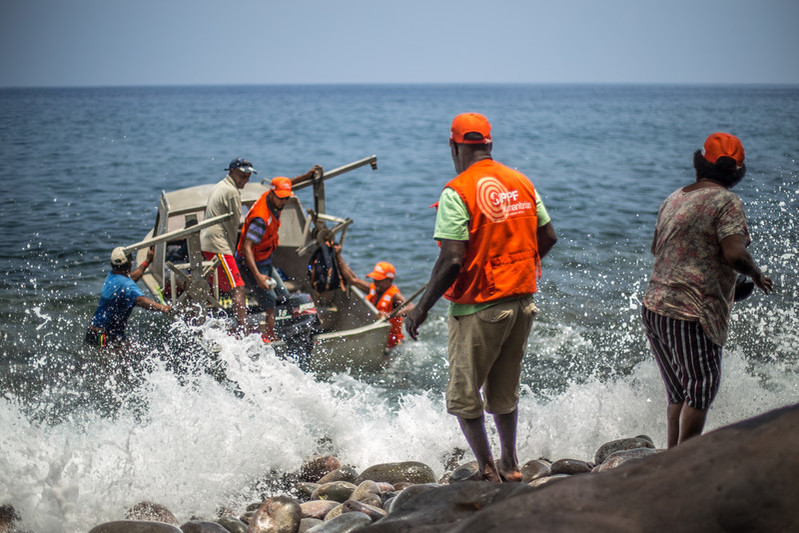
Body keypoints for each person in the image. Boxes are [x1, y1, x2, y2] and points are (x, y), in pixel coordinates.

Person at [405, 113, 558, 483]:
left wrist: (421, 308)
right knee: (504, 390)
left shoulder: (457, 191)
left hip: (480, 307)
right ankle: (510, 463)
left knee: (463, 395)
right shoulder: (521, 181)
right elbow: (548, 237)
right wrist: (516, 266)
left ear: (454, 146)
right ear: (489, 144)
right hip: (522, 303)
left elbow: (452, 258)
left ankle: (488, 470)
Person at [641, 132, 773, 448]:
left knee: (678, 391)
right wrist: (755, 274)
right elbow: (735, 254)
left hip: (655, 307)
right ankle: (684, 457)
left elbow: (659, 249)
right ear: (737, 172)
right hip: (691, 313)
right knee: (701, 389)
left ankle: (671, 455)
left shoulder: (673, 198)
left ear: (699, 162)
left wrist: (727, 286)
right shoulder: (727, 201)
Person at [236, 167, 322, 341]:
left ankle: (290, 331)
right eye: (281, 198)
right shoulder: (261, 219)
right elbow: (246, 248)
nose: (284, 202)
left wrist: (307, 176)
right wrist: (258, 277)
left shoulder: (275, 197)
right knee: (272, 306)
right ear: (273, 194)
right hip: (253, 265)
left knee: (284, 297)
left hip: (266, 261)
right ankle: (273, 338)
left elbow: (289, 185)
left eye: (286, 198)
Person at [200, 157, 257, 332]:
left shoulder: (221, 186)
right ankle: (243, 329)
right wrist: (233, 250)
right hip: (219, 245)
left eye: (248, 176)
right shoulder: (232, 192)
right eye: (242, 175)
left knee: (216, 286)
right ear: (231, 171)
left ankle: (208, 322)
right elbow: (234, 224)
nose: (245, 179)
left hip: (208, 241)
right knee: (238, 287)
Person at [85, 247, 171, 348]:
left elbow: (133, 277)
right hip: (105, 336)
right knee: (122, 360)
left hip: (94, 332)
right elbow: (141, 300)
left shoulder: (112, 276)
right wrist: (164, 308)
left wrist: (148, 261)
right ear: (130, 263)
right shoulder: (127, 285)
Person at [336, 252, 414, 352]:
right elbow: (352, 280)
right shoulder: (373, 288)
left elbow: (411, 308)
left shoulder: (395, 296)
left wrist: (388, 315)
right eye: (375, 279)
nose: (376, 283)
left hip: (392, 344)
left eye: (379, 280)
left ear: (389, 280)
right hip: (375, 338)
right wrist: (338, 256)